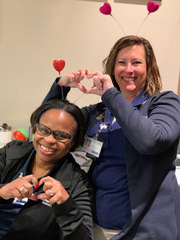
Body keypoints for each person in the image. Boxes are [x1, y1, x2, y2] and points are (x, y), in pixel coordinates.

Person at [43, 35, 180, 240]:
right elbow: (49, 127)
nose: (128, 69)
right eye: (121, 62)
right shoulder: (98, 112)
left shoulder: (164, 102)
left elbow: (151, 141)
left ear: (149, 67)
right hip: (97, 225)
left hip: (146, 230)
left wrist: (110, 94)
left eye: (136, 62)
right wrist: (61, 87)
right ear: (113, 68)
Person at [0, 99, 93, 240]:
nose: (49, 139)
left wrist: (66, 207)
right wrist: (3, 192)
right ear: (36, 128)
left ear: (73, 141)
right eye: (44, 130)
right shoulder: (10, 152)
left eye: (61, 135)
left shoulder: (78, 183)